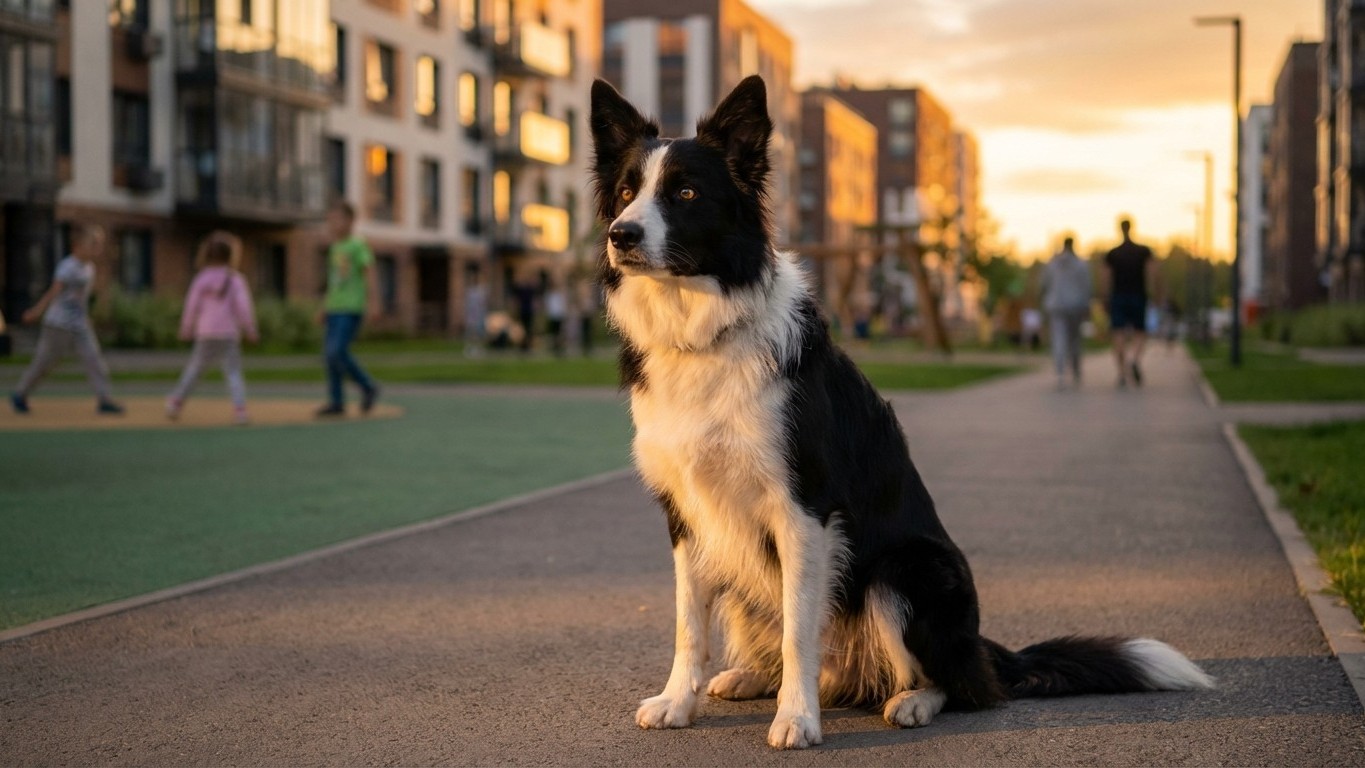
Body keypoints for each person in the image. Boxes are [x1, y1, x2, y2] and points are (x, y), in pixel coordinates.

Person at [10, 224, 124, 415]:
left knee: (94, 359)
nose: (98, 247)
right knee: (45, 361)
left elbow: (82, 299)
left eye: (99, 244)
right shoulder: (67, 266)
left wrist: (89, 317)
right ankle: (21, 393)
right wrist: (37, 311)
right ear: (77, 246)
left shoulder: (89, 269)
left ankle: (104, 399)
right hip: (58, 324)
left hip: (79, 325)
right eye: (94, 243)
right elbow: (54, 291)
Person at [166, 231, 259, 425]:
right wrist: (250, 329)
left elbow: (191, 305)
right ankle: (240, 410)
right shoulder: (236, 280)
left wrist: (186, 328)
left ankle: (176, 402)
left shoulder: (201, 279)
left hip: (205, 332)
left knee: (195, 369)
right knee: (233, 372)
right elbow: (244, 307)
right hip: (228, 334)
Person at [317, 200, 379, 416]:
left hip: (351, 307)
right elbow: (333, 281)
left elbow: (369, 271)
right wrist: (324, 307)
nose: (331, 224)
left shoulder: (357, 245)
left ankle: (368, 385)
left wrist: (373, 302)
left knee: (337, 352)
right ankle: (337, 401)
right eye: (329, 220)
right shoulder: (335, 247)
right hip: (334, 307)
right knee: (329, 355)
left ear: (350, 220)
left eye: (335, 220)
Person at [1103, 218, 1159, 387]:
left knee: (1118, 333)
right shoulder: (1143, 251)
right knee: (1140, 332)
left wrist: (1104, 296)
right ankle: (1134, 359)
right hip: (1138, 295)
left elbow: (1105, 277)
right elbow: (1152, 272)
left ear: (1120, 229)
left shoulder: (1113, 254)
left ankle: (1121, 372)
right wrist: (1155, 293)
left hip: (1118, 296)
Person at [1041, 236, 1092, 390]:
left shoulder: (1053, 264)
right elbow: (1086, 287)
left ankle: (1060, 371)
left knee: (1059, 338)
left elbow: (1044, 284)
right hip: (1075, 305)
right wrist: (1086, 305)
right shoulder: (1081, 265)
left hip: (1056, 305)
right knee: (1074, 339)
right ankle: (1075, 367)